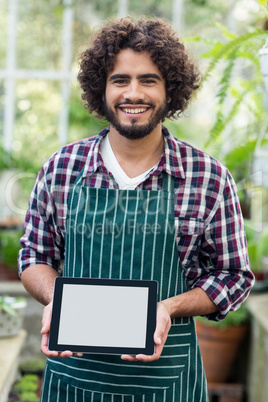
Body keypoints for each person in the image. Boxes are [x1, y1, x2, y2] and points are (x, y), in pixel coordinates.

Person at [18, 17, 254, 402]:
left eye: (148, 80)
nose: (133, 93)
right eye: (120, 80)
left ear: (169, 90)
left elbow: (234, 276)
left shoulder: (207, 177)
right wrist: (60, 300)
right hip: (75, 382)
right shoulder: (63, 167)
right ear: (102, 88)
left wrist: (167, 308)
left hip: (167, 384)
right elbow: (34, 255)